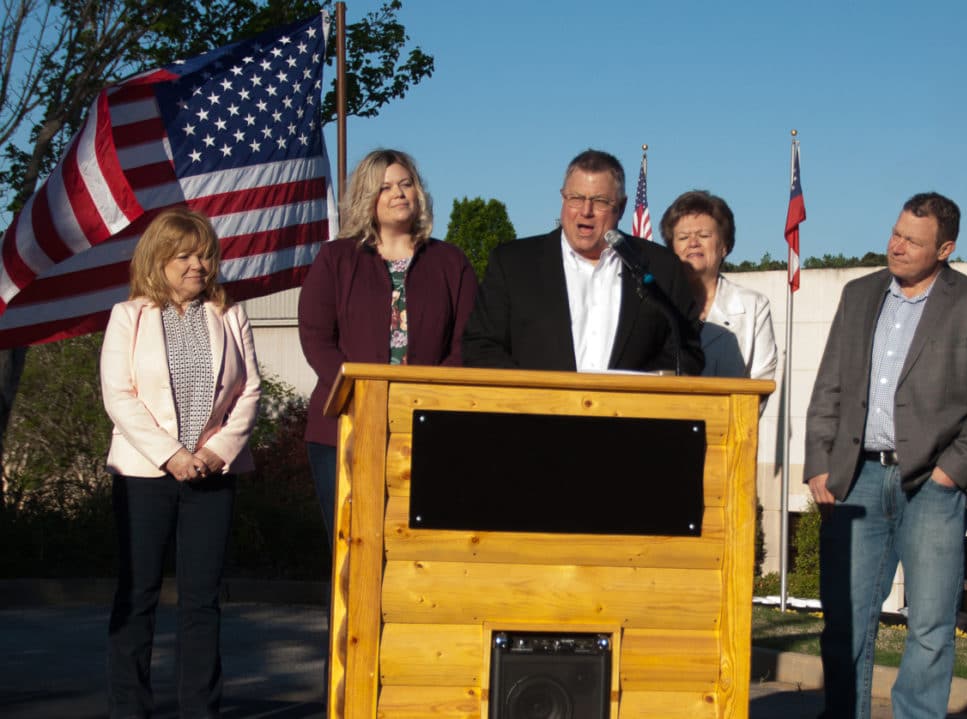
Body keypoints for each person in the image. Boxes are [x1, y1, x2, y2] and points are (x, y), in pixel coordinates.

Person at [804, 192, 967, 718]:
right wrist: (818, 462)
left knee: (928, 627)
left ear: (945, 248)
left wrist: (952, 473)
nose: (896, 246)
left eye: (913, 240)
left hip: (933, 487)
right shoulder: (859, 294)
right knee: (845, 621)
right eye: (896, 233)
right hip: (856, 478)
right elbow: (830, 383)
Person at [101, 207, 261, 718]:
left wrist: (217, 451)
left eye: (205, 255)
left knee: (202, 602)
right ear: (159, 259)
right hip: (144, 476)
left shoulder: (230, 314)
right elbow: (118, 396)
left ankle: (200, 710)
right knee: (138, 595)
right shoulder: (129, 316)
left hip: (213, 476)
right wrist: (171, 456)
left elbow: (250, 390)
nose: (199, 265)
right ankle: (130, 709)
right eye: (186, 256)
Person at [298, 149, 477, 544]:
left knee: (414, 550)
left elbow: (466, 342)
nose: (399, 193)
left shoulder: (450, 262)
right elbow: (316, 337)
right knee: (350, 549)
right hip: (344, 427)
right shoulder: (335, 259)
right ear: (367, 198)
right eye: (385, 187)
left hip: (426, 428)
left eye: (406, 183)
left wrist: (424, 397)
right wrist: (360, 394)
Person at [462, 148, 703, 374]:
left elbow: (686, 351)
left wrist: (633, 394)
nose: (585, 211)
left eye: (599, 201)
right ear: (562, 198)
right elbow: (480, 346)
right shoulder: (513, 264)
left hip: (628, 415)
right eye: (575, 198)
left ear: (621, 207)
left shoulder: (660, 268)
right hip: (534, 415)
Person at [660, 190, 777, 384]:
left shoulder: (754, 306)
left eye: (704, 235)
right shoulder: (653, 300)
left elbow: (761, 381)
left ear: (724, 246)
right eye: (682, 237)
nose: (693, 243)